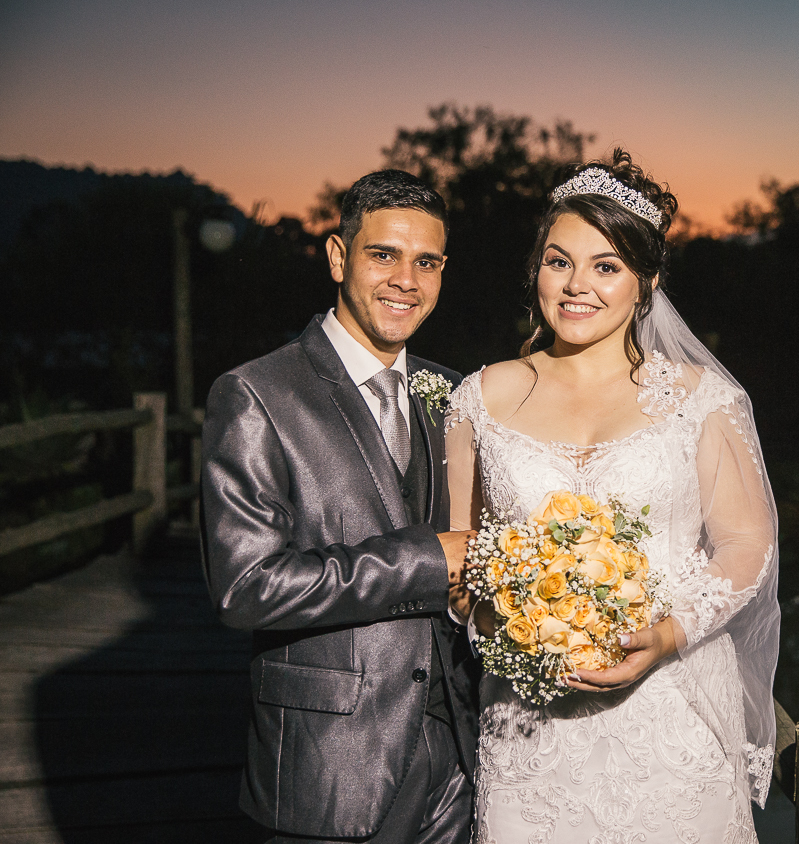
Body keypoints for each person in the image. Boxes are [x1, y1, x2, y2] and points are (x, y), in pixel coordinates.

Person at [445, 151, 781, 843]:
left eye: (606, 266)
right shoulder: (479, 398)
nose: (577, 285)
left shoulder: (702, 401)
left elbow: (747, 542)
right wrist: (514, 630)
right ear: (536, 269)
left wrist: (666, 636)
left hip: (672, 720)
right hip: (529, 730)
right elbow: (460, 560)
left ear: (646, 283)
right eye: (558, 261)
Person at [200, 169, 479, 844]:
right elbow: (245, 588)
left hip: (462, 755)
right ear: (337, 256)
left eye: (426, 262)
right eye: (383, 254)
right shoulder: (256, 395)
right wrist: (425, 563)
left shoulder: (454, 393)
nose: (405, 280)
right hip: (334, 763)